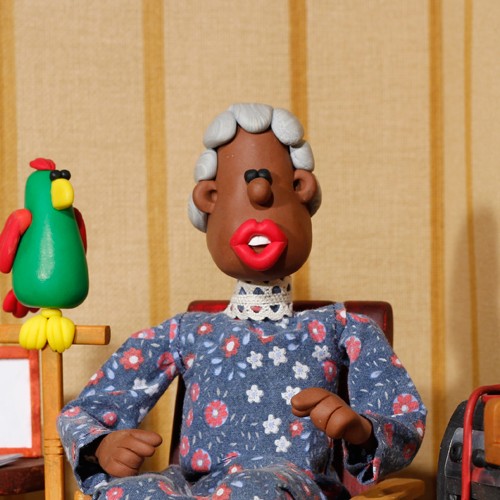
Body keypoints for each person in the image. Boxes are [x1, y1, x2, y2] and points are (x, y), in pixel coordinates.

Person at [58, 103, 426, 499]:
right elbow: (86, 409)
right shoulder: (187, 332)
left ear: (302, 189)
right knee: (128, 493)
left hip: (288, 485)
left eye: (274, 188)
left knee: (254, 490)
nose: (259, 192)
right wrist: (101, 444)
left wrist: (361, 430)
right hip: (192, 486)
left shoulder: (339, 328)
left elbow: (402, 415)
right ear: (209, 198)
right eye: (241, 190)